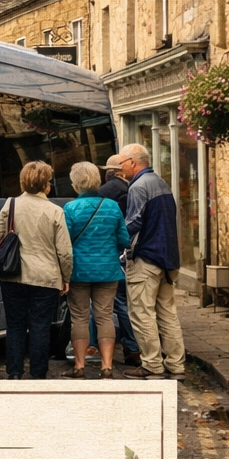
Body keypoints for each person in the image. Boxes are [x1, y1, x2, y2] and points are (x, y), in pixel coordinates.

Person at [0, 160, 73, 380]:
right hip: (46, 278)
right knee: (40, 327)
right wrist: (66, 277)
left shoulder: (11, 204)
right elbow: (64, 251)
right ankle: (38, 374)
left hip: (13, 275)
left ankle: (14, 373)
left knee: (15, 326)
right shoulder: (55, 211)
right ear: (46, 184)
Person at [117, 143, 186, 379]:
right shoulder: (161, 182)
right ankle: (176, 366)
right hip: (168, 258)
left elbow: (134, 223)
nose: (120, 168)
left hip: (146, 258)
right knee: (167, 313)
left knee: (141, 313)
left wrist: (116, 237)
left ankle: (152, 365)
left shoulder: (138, 186)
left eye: (122, 163)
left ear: (133, 163)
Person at [64, 162, 131, 379]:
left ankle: (80, 366)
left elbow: (64, 243)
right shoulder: (111, 207)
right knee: (105, 317)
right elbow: (123, 239)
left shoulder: (70, 209)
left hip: (79, 271)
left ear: (76, 184)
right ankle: (107, 366)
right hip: (107, 270)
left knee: (80, 318)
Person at [97, 154, 142, 368]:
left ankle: (92, 348)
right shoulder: (128, 191)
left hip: (101, 258)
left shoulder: (102, 193)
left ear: (109, 174)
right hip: (120, 256)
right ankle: (132, 347)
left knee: (94, 306)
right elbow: (125, 231)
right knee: (122, 303)